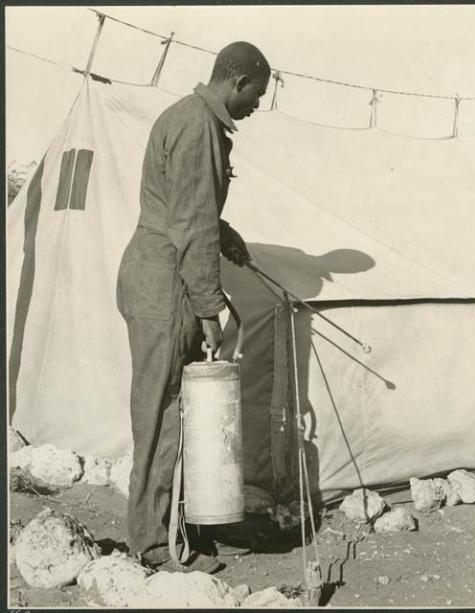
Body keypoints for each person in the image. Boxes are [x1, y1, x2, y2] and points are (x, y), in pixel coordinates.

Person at [116, 41, 271, 573]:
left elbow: (192, 209)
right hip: (164, 286)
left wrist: (224, 232)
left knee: (179, 409)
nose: (256, 107)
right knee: (158, 413)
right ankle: (152, 544)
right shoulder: (197, 125)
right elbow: (189, 227)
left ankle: (180, 528)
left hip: (167, 277)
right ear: (240, 81)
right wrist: (209, 309)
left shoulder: (194, 119)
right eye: (257, 95)